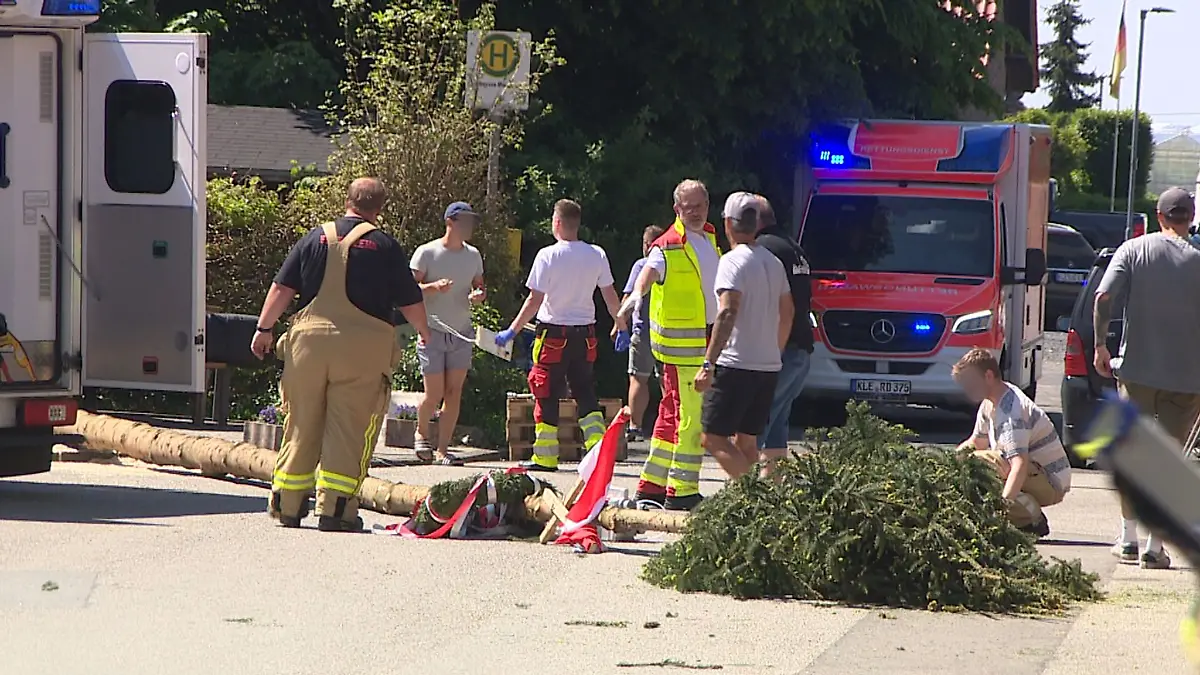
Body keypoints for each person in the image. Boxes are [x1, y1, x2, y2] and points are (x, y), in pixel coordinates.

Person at [250, 177, 430, 532]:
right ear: (379, 208)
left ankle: (287, 504)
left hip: (308, 347)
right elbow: (411, 301)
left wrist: (263, 328)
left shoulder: (314, 238)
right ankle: (336, 510)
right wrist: (425, 333)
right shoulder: (384, 246)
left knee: (300, 422)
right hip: (362, 350)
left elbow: (282, 287)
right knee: (349, 428)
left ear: (347, 201)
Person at [1093, 186, 1200, 569]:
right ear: (1191, 218)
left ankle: (1127, 539)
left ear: (1158, 216)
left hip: (1136, 371)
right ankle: (1155, 547)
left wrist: (1101, 346)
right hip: (1187, 380)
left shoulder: (1133, 250)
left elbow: (1103, 298)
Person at [495, 199, 622, 472]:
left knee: (546, 392)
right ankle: (598, 452)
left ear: (557, 222)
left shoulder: (547, 255)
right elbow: (610, 296)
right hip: (585, 336)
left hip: (553, 336)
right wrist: (621, 325)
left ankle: (545, 457)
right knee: (585, 391)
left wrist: (512, 330)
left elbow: (534, 300)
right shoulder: (596, 254)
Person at [618, 179, 722, 511]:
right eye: (688, 208)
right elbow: (650, 271)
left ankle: (652, 485)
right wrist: (636, 295)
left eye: (700, 206)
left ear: (708, 205)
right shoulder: (667, 245)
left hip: (700, 343)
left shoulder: (710, 238)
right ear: (676, 209)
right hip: (682, 351)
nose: (695, 212)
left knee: (670, 414)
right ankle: (682, 491)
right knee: (692, 418)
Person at [694, 197, 792, 479]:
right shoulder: (773, 262)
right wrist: (774, 351)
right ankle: (750, 499)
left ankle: (756, 495)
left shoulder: (732, 261)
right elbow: (788, 312)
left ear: (727, 223)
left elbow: (727, 312)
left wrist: (708, 364)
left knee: (712, 437)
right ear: (756, 224)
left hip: (736, 364)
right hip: (767, 366)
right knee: (746, 442)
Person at [951, 348, 1072, 539]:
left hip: (1050, 481)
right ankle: (1019, 513)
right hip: (1030, 472)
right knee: (970, 460)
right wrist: (947, 464)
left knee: (980, 464)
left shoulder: (1012, 412)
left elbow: (1019, 465)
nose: (967, 388)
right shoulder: (989, 403)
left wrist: (1001, 509)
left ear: (988, 376)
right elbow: (976, 442)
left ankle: (1030, 515)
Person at [409, 202, 487, 466]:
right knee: (434, 394)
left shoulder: (473, 255)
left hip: (461, 333)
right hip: (431, 331)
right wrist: (433, 287)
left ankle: (443, 450)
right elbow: (408, 289)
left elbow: (480, 286)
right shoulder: (427, 252)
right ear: (450, 222)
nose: (469, 226)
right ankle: (421, 432)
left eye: (471, 222)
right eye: (464, 221)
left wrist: (478, 295)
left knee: (454, 392)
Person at [746, 193, 813, 476]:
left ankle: (744, 488)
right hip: (801, 347)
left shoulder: (764, 249)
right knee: (777, 422)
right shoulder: (793, 248)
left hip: (779, 348)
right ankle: (773, 486)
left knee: (757, 419)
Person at [613, 225, 666, 442]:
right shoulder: (671, 265)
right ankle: (672, 424)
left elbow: (630, 296)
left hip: (643, 331)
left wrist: (619, 324)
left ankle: (635, 426)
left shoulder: (642, 265)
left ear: (648, 244)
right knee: (667, 380)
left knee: (638, 378)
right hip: (666, 332)